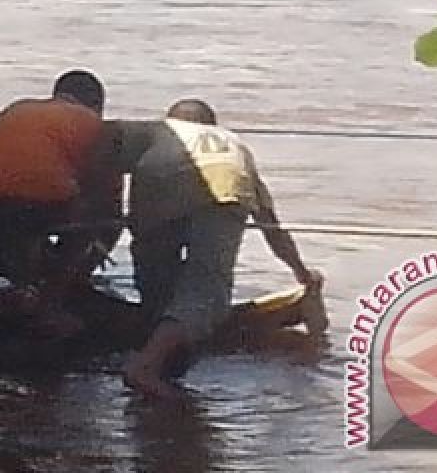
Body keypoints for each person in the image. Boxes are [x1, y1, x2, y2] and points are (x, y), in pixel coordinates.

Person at [122, 99, 322, 400]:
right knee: (207, 287)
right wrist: (301, 273)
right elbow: (270, 226)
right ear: (212, 125)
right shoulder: (233, 143)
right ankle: (147, 365)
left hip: (155, 175)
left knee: (155, 269)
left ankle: (159, 333)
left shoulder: (161, 130)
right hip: (222, 184)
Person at [0, 71, 126, 326]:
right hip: (29, 204)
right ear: (97, 105)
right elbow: (110, 200)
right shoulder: (96, 125)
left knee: (14, 222)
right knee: (100, 221)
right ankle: (51, 305)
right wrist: (85, 259)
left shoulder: (19, 108)